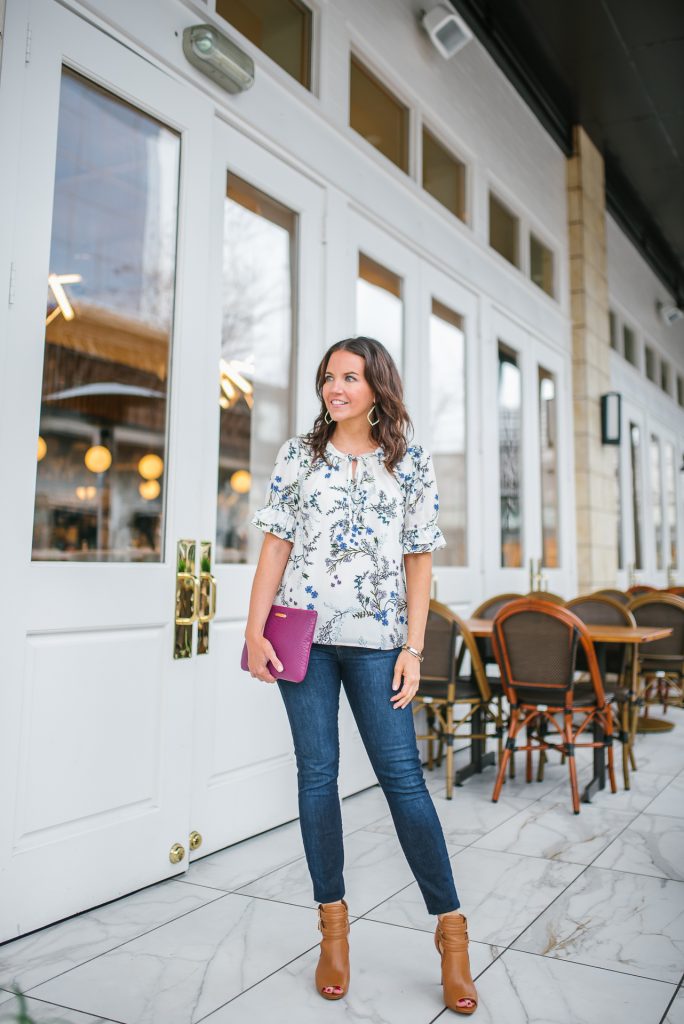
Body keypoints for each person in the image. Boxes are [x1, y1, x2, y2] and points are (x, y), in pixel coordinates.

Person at [244, 336, 477, 1015]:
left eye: (349, 376)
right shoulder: (299, 455)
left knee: (403, 780)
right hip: (302, 638)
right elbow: (275, 547)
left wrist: (414, 647)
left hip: (379, 644)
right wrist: (254, 630)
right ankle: (333, 932)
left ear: (378, 386)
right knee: (316, 776)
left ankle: (452, 934)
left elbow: (419, 563)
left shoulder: (411, 464)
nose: (335, 387)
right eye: (327, 377)